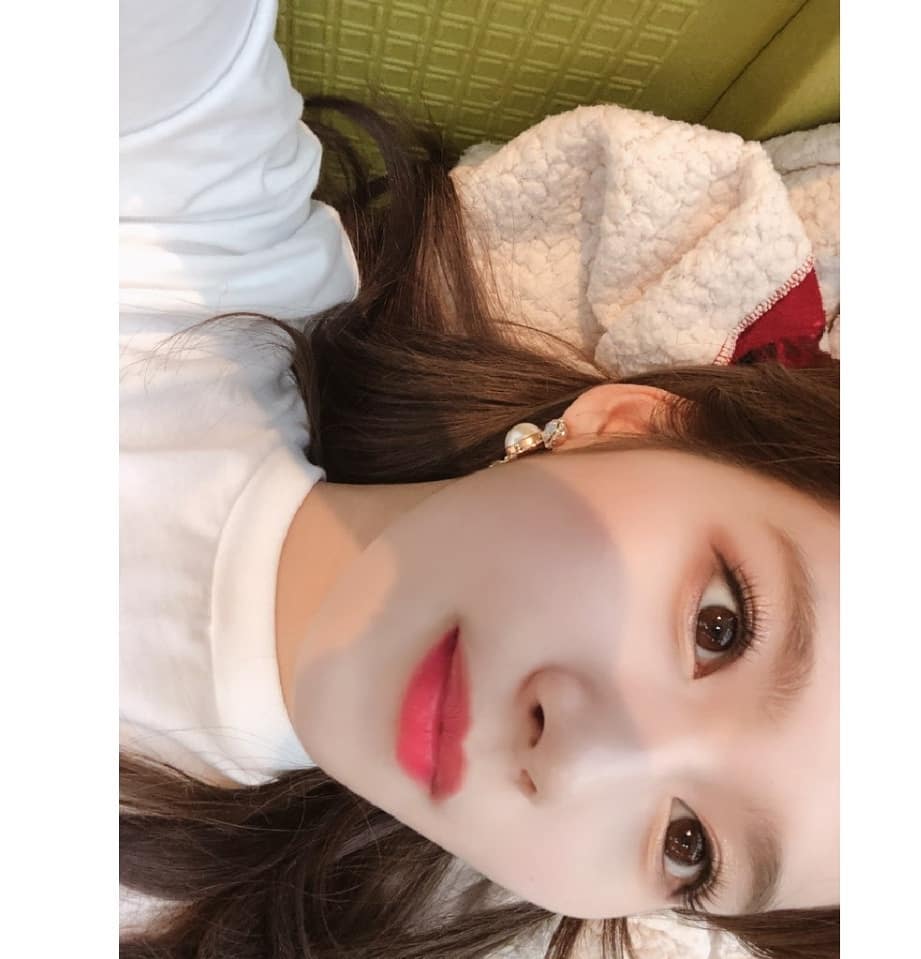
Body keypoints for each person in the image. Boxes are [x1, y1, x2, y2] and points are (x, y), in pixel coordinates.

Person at [119, 2, 839, 957]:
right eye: (720, 623)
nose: (577, 761)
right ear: (628, 422)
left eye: (688, 844)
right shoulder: (189, 238)